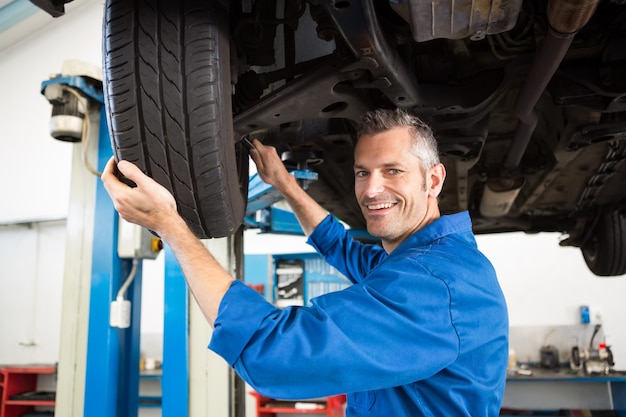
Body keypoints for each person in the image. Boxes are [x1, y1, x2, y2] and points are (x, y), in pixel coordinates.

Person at [101, 108, 509, 416]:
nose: (371, 189)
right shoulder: (424, 260)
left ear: (433, 180)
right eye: (362, 172)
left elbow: (273, 354)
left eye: (393, 171)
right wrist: (284, 184)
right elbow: (341, 247)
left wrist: (170, 226)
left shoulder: (435, 284)